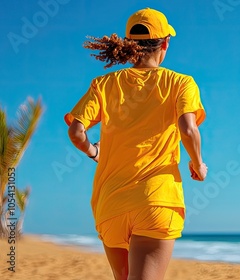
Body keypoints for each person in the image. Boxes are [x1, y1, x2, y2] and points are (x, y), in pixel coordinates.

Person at [64, 7, 207, 280]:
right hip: (156, 200)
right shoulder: (180, 83)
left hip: (111, 204)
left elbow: (76, 132)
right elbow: (188, 129)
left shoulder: (104, 84)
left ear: (129, 46)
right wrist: (198, 164)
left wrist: (95, 152)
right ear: (165, 44)